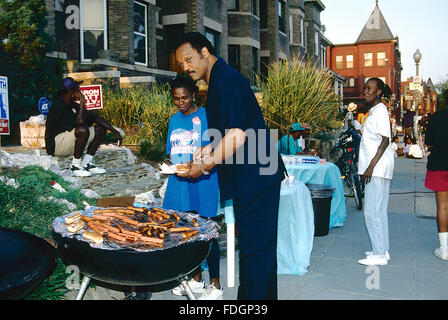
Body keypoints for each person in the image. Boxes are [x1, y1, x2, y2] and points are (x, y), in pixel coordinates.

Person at [175, 32, 286, 300]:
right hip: (250, 176)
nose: (186, 67)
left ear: (204, 52)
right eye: (181, 64)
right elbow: (229, 132)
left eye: (189, 59)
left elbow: (237, 136)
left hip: (256, 175)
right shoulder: (217, 82)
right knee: (252, 250)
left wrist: (202, 168)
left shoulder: (227, 80)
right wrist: (206, 151)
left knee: (257, 252)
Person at [162, 76, 223, 299]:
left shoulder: (208, 116)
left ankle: (215, 285)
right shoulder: (173, 120)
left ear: (194, 95)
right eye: (176, 99)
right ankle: (196, 280)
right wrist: (171, 166)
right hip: (179, 182)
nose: (181, 102)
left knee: (208, 232)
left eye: (185, 97)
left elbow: (219, 148)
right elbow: (172, 151)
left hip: (204, 181)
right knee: (186, 231)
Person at [45, 77, 123, 177]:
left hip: (66, 141)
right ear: (71, 91)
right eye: (78, 89)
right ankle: (75, 166)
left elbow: (96, 118)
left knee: (100, 130)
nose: (80, 91)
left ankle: (86, 163)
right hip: (56, 145)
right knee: (82, 130)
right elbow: (80, 123)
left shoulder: (73, 105)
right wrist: (82, 100)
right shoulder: (58, 106)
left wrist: (115, 132)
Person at [357, 77, 395, 266]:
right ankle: (381, 250)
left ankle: (379, 254)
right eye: (364, 88)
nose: (365, 91)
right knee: (378, 211)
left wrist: (370, 167)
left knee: (372, 212)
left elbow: (385, 140)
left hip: (377, 168)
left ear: (378, 91)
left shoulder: (379, 111)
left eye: (369, 88)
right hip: (378, 168)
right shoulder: (376, 111)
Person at [424, 89, 448, 260]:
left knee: (443, 207)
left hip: (439, 165)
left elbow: (429, 144)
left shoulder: (435, 118)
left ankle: (445, 249)